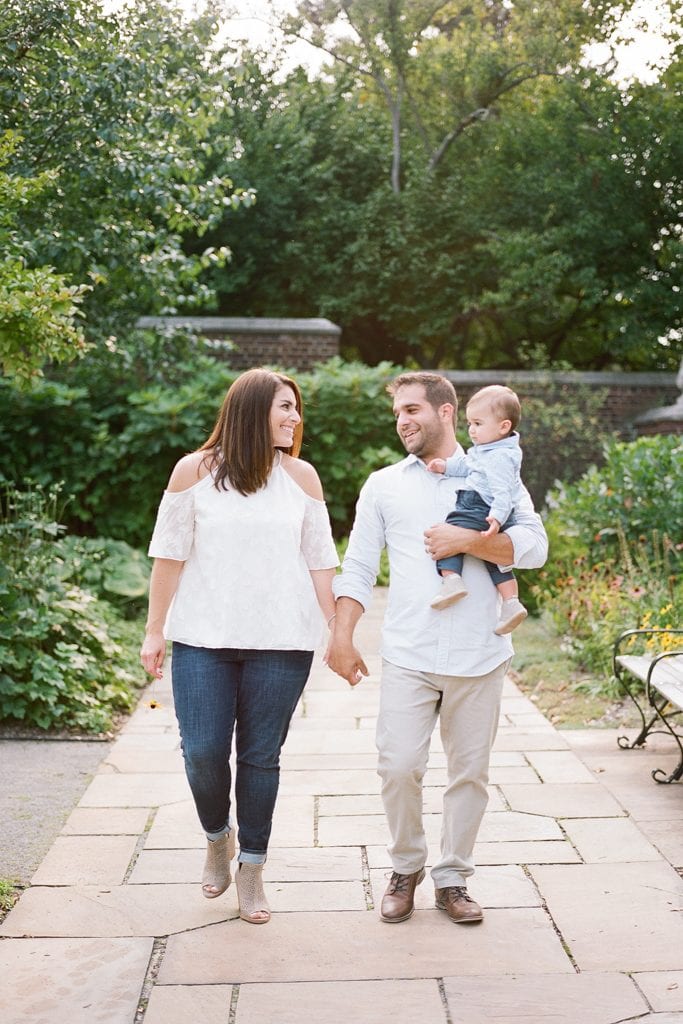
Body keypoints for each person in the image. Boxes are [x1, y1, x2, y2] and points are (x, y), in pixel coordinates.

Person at [326, 371, 547, 926]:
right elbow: (357, 564)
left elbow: (536, 548)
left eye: (412, 410)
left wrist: (471, 540)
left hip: (480, 655)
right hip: (410, 652)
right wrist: (341, 634)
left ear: (447, 412)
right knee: (398, 767)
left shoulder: (497, 471)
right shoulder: (383, 485)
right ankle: (406, 866)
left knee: (469, 776)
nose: (402, 420)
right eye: (398, 411)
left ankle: (453, 878)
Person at [140, 368, 338, 925]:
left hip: (282, 643)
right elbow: (169, 557)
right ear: (251, 410)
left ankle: (251, 866)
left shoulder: (302, 478)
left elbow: (321, 561)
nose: (295, 418)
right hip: (204, 639)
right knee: (202, 751)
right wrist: (155, 631)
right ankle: (216, 837)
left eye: (296, 407)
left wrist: (338, 632)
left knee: (259, 758)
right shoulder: (193, 472)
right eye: (284, 407)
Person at [426, 384, 528, 635]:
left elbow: (503, 491)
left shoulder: (499, 457)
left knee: (446, 536)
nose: (471, 430)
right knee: (494, 558)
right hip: (489, 510)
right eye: (470, 423)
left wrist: (496, 516)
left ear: (503, 426)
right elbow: (467, 464)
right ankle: (511, 603)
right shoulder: (491, 450)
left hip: (478, 505)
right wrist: (446, 466)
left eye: (478, 424)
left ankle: (451, 580)